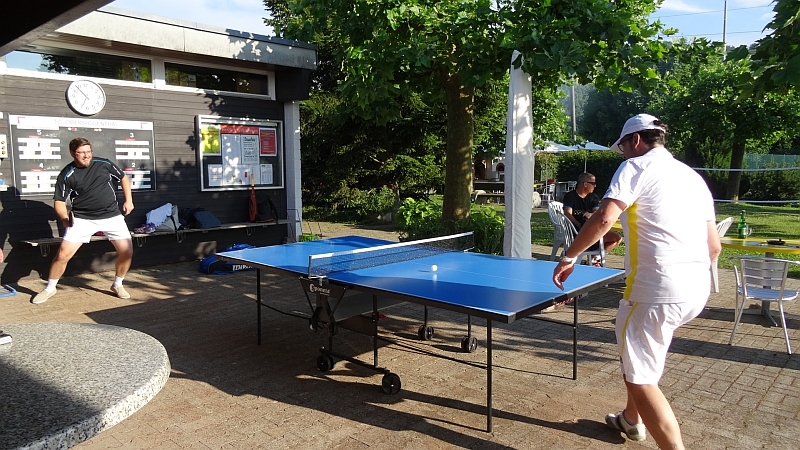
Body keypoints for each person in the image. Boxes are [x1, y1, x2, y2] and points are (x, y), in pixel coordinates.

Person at [552, 114, 721, 449]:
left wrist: (569, 257)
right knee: (642, 357)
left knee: (641, 376)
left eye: (623, 146)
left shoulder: (635, 167)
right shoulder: (693, 178)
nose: (623, 153)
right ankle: (631, 419)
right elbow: (714, 247)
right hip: (695, 289)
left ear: (637, 140)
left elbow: (604, 218)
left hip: (654, 290)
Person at [32, 137, 135, 304]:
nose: (86, 155)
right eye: (81, 153)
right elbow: (59, 201)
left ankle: (117, 284)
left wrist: (129, 200)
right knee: (62, 255)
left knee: (127, 252)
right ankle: (50, 288)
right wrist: (64, 217)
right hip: (82, 219)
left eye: (88, 151)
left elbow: (123, 177)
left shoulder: (104, 164)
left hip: (112, 216)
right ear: (73, 153)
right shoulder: (67, 174)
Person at [561, 172, 623, 255]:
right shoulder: (570, 196)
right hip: (575, 231)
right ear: (585, 184)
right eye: (593, 183)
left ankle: (595, 258)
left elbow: (596, 211)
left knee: (617, 239)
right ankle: (596, 258)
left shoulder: (593, 197)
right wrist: (578, 224)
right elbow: (567, 213)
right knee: (614, 238)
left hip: (592, 228)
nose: (595, 186)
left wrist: (591, 215)